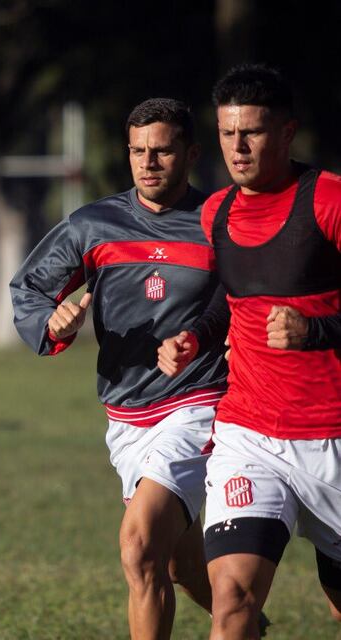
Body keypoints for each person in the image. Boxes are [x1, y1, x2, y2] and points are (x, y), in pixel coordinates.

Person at [11, 99, 231, 639]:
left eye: (162, 151)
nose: (147, 162)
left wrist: (211, 339)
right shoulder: (95, 224)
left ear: (192, 153)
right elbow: (29, 287)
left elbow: (245, 296)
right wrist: (53, 322)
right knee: (176, 565)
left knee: (137, 546)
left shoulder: (219, 222)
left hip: (198, 402)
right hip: (126, 414)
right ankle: (243, 616)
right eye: (137, 151)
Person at [157, 64, 341, 639]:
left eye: (252, 133)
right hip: (251, 434)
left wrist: (316, 331)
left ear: (286, 133)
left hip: (332, 437)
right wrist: (195, 336)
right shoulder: (217, 211)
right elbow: (229, 299)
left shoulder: (329, 200)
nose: (237, 147)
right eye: (227, 133)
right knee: (232, 600)